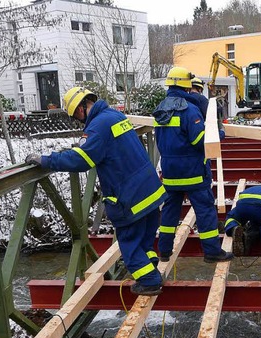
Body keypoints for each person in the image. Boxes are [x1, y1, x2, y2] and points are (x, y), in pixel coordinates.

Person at [25, 87, 166, 296]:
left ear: (81, 110)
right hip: (150, 190)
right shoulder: (115, 115)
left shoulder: (98, 127)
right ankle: (151, 269)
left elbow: (82, 159)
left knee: (129, 242)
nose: (79, 121)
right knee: (144, 238)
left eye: (76, 117)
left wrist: (47, 160)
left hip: (130, 196)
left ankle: (149, 280)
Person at [152, 66, 233, 264]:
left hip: (170, 172)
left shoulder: (161, 109)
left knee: (170, 212)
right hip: (193, 173)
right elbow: (199, 141)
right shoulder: (189, 110)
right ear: (186, 86)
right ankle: (212, 251)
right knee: (205, 211)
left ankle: (164, 250)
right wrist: (218, 135)